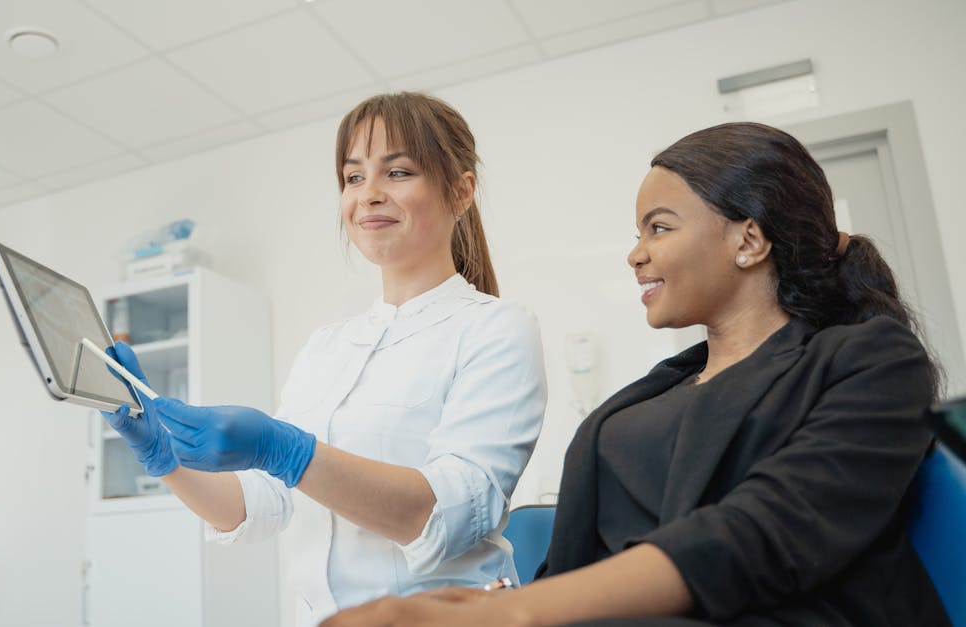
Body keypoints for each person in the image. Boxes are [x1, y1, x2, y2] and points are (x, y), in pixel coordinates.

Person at [320, 122, 950, 626]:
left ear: (749, 240)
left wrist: (515, 614)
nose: (635, 252)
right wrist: (486, 603)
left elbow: (767, 532)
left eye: (659, 227)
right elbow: (575, 562)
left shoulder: (868, 360)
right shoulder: (651, 395)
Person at [102, 92, 548, 626]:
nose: (370, 195)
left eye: (398, 171)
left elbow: (451, 514)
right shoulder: (327, 347)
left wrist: (289, 452)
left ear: (461, 191)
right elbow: (263, 504)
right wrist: (165, 458)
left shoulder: (497, 328)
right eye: (354, 177)